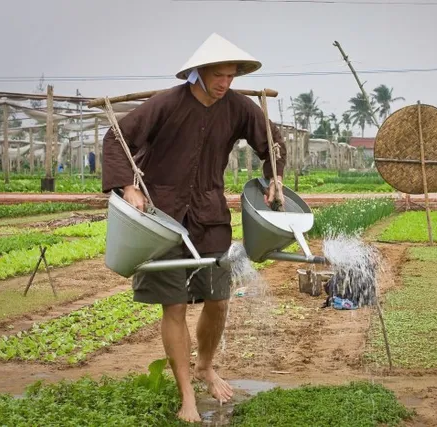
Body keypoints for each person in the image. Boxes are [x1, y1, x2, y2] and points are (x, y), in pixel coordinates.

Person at [101, 33, 286, 423]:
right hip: (161, 218)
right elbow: (115, 139)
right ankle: (187, 393)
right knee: (175, 305)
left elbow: (273, 141)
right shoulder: (166, 104)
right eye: (218, 75)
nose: (225, 83)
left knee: (218, 300)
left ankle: (205, 366)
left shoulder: (238, 107)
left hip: (209, 215)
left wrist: (275, 177)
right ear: (199, 73)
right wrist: (129, 186)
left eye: (231, 76)